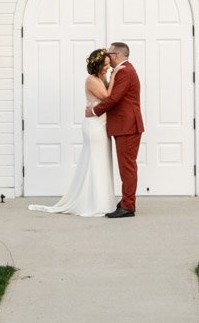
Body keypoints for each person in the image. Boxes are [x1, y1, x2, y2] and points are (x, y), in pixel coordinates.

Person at [28, 47, 116, 216]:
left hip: (102, 124)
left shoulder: (101, 77)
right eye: (105, 65)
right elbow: (107, 97)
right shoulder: (91, 80)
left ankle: (102, 200)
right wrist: (114, 77)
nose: (108, 67)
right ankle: (93, 203)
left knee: (102, 162)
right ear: (97, 65)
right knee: (95, 161)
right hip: (94, 126)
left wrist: (109, 77)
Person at [87, 41, 143, 218]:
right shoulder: (121, 70)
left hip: (127, 126)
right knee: (126, 167)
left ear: (116, 55)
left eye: (109, 54)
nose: (107, 57)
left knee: (127, 168)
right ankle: (127, 201)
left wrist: (94, 111)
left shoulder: (125, 71)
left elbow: (114, 99)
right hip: (123, 125)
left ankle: (128, 206)